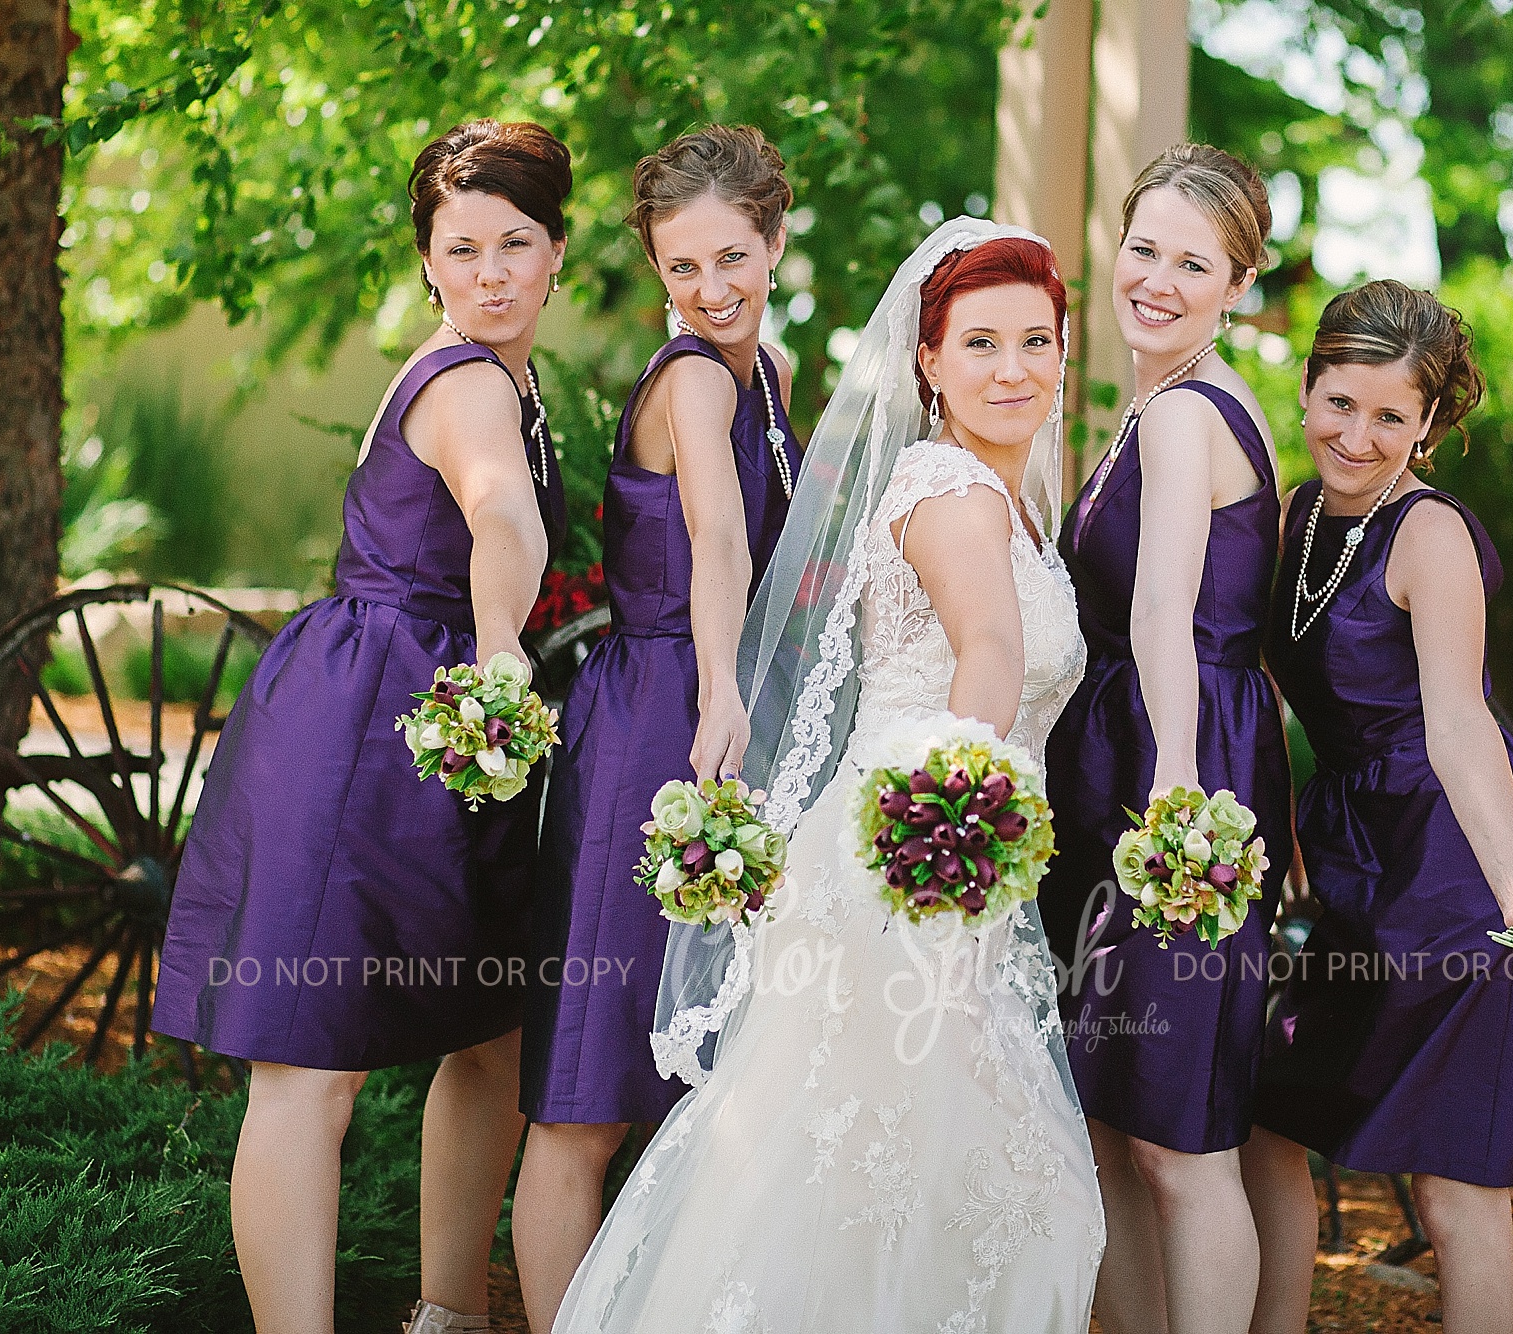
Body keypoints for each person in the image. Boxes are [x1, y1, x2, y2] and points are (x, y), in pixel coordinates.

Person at [551, 220, 1104, 1331]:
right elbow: (987, 649)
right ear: (928, 363)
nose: (1013, 369)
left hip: (949, 867)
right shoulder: (949, 486)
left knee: (900, 1181)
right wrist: (961, 808)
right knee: (892, 1177)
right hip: (908, 869)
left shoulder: (1013, 502)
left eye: (1035, 342)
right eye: (980, 343)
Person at [151, 119, 571, 1334]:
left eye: (513, 243)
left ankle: (446, 1311)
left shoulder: (510, 375)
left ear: (555, 252)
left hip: (442, 733)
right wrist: (502, 645)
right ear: (428, 263)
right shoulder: (468, 384)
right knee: (306, 1070)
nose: (489, 272)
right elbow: (503, 517)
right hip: (359, 730)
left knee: (489, 1033)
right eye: (460, 249)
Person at [1240, 280, 1513, 1334]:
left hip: (1466, 865)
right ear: (1305, 386)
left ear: (1428, 423)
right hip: (1359, 857)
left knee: (1455, 1182)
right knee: (1268, 1116)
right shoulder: (1295, 514)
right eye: (1338, 403)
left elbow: (1455, 724)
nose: (1356, 435)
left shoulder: (1429, 535)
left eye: (1390, 416)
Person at [510, 123, 800, 1333]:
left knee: (704, 1072)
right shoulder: (688, 376)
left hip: (726, 716)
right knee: (585, 1090)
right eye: (682, 269)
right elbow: (719, 542)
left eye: (732, 258)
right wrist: (726, 689)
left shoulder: (767, 370)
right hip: (653, 723)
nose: (710, 291)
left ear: (776, 240)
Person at [1040, 143, 1294, 1334]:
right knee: (1109, 1111)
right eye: (1143, 248)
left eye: (1193, 263)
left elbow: (1161, 611)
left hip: (1178, 772)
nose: (1156, 278)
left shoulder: (1190, 410)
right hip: (1134, 760)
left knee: (1179, 1132)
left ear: (1237, 283)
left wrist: (1182, 794)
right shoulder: (1158, 398)